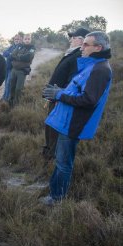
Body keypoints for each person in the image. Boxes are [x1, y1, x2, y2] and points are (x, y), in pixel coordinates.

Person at [40, 31, 112, 206]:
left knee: (64, 163)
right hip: (67, 120)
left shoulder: (100, 69)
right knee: (60, 160)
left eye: (86, 44)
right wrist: (61, 92)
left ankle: (57, 200)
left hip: (74, 123)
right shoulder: (91, 65)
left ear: (98, 48)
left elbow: (88, 100)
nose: (82, 47)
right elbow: (78, 90)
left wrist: (60, 95)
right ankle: (54, 193)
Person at [42, 28, 90, 160]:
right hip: (56, 96)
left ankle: (51, 159)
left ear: (81, 40)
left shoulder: (78, 56)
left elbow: (73, 80)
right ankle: (49, 155)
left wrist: (60, 96)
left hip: (60, 98)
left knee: (54, 130)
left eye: (73, 37)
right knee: (50, 127)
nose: (70, 40)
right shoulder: (72, 54)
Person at [8, 33, 36, 108]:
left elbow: (28, 57)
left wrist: (17, 56)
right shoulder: (20, 46)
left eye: (28, 39)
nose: (27, 40)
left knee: (18, 89)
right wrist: (20, 57)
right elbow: (12, 55)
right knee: (12, 87)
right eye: (25, 39)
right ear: (23, 40)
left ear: (30, 40)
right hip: (14, 70)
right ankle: (10, 104)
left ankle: (16, 105)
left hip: (21, 71)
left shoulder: (32, 48)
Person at [2, 34, 22, 101]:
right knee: (5, 84)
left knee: (8, 84)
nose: (16, 40)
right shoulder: (11, 46)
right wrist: (10, 54)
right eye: (15, 39)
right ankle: (4, 97)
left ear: (20, 40)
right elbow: (4, 53)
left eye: (18, 39)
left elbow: (14, 56)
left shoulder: (21, 47)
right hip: (7, 68)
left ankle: (6, 99)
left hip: (13, 68)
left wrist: (10, 55)